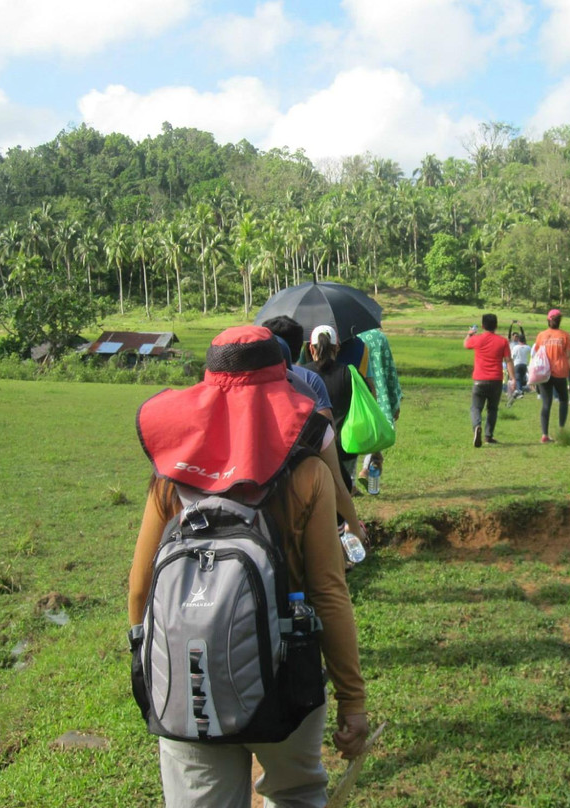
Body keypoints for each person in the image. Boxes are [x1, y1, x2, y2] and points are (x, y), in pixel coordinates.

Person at [129, 325, 369, 807]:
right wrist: (353, 700)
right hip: (286, 684)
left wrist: (150, 669)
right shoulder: (307, 475)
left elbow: (140, 591)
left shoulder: (171, 479)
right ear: (282, 387)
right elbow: (328, 592)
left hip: (186, 682)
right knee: (295, 793)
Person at [261, 315, 366, 542]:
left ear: (309, 347)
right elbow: (326, 425)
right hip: (330, 451)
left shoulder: (243, 400)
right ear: (337, 346)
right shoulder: (311, 380)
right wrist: (354, 528)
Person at [302, 324, 358, 489]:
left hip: (311, 448)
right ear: (337, 347)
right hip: (344, 448)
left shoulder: (302, 374)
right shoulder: (349, 373)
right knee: (343, 492)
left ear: (311, 348)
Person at [356, 327, 402, 487]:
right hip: (379, 392)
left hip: (358, 392)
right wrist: (395, 398)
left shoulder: (352, 338)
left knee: (357, 435)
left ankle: (354, 481)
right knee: (377, 438)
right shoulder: (379, 338)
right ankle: (368, 471)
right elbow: (389, 368)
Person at [464, 313, 515, 447]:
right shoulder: (503, 341)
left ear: (482, 326)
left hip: (479, 380)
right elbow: (508, 361)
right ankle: (488, 436)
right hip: (496, 380)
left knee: (476, 407)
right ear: (496, 326)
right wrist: (513, 378)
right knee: (492, 409)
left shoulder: (477, 339)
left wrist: (470, 334)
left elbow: (465, 345)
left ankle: (477, 426)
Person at [532, 309, 570, 443]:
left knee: (546, 403)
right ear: (560, 321)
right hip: (560, 373)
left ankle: (544, 435)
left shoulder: (541, 335)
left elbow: (536, 355)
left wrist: (534, 375)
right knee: (564, 400)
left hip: (544, 373)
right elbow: (569, 357)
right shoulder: (565, 336)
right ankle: (561, 429)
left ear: (548, 320)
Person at [507, 321, 531, 402]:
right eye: (515, 336)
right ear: (513, 336)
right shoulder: (511, 342)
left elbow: (523, 337)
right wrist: (511, 325)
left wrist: (520, 327)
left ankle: (518, 390)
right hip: (512, 361)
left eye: (517, 336)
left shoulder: (519, 344)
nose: (516, 337)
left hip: (516, 362)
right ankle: (512, 390)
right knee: (511, 376)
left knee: (518, 377)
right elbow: (508, 335)